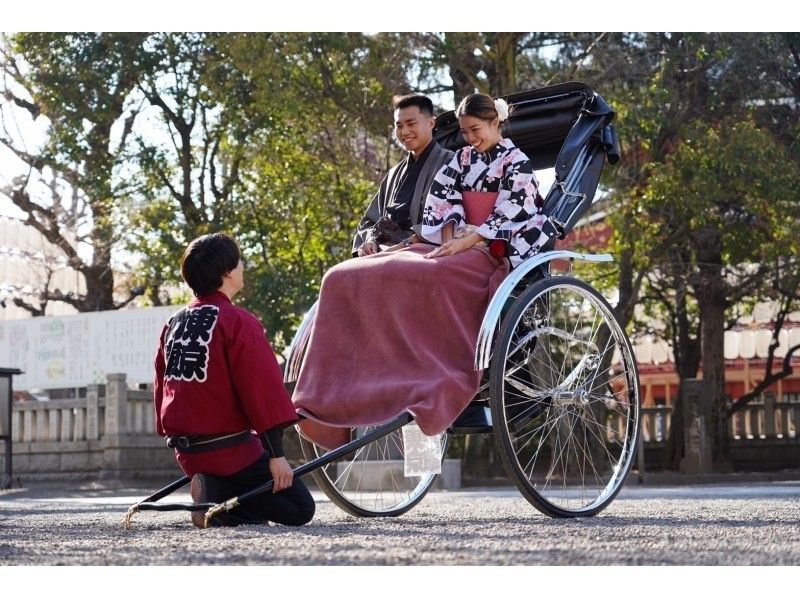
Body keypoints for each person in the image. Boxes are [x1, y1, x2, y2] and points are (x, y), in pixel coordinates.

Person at [293, 93, 550, 450]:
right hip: (445, 244)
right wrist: (446, 238)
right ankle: (331, 395)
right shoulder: (457, 159)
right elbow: (441, 201)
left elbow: (515, 211)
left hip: (493, 248)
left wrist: (470, 240)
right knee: (341, 275)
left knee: (427, 275)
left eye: (476, 129)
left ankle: (427, 376)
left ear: (495, 123)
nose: (470, 138)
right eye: (464, 132)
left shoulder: (516, 162)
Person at [153, 232, 314, 528]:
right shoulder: (238, 321)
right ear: (226, 272)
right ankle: (216, 494)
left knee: (258, 509)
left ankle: (214, 495)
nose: (242, 266)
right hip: (230, 453)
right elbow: (261, 391)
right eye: (239, 261)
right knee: (299, 508)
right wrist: (277, 455)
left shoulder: (173, 323)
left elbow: (162, 383)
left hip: (187, 453)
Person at [352, 93, 454, 257]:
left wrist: (407, 242)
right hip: (385, 249)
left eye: (411, 123)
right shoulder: (393, 174)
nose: (404, 131)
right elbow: (370, 220)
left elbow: (453, 216)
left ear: (431, 122)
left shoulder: (452, 163)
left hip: (423, 249)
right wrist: (370, 240)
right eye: (399, 126)